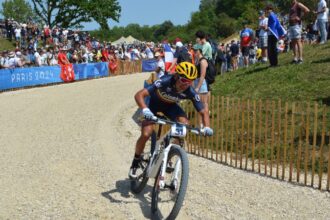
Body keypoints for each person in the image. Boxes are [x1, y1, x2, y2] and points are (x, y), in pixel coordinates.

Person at [129, 62, 214, 178]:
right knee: (146, 134)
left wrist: (207, 127)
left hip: (170, 107)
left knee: (184, 125)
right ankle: (135, 161)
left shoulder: (190, 91)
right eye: (184, 80)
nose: (186, 85)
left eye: (190, 81)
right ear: (176, 76)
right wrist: (144, 109)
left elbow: (203, 111)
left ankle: (169, 152)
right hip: (153, 104)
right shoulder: (165, 81)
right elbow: (139, 95)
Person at [192, 44, 209, 128]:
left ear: (200, 50)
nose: (194, 52)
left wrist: (198, 87)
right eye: (194, 50)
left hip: (201, 83)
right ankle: (201, 124)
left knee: (202, 104)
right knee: (200, 104)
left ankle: (203, 124)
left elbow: (202, 75)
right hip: (197, 81)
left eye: (196, 50)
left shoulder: (202, 61)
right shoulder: (197, 60)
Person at [288, 0, 310, 64]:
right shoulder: (292, 5)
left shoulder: (298, 4)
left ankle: (300, 58)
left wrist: (300, 17)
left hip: (296, 25)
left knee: (298, 41)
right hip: (291, 25)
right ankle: (295, 58)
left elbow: (307, 10)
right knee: (293, 42)